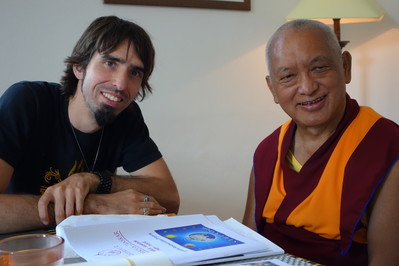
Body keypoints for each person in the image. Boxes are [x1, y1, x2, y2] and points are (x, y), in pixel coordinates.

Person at [0, 16, 180, 234]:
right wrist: (96, 206)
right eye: (110, 63)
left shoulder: (127, 116)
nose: (121, 84)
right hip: (23, 250)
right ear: (79, 67)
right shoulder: (27, 101)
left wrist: (95, 181)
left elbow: (170, 198)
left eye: (134, 72)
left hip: (88, 248)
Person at [242, 19, 399, 265]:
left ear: (345, 67)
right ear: (272, 88)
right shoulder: (268, 150)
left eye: (319, 68)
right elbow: (249, 247)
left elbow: (386, 260)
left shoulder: (385, 146)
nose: (307, 87)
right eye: (288, 76)